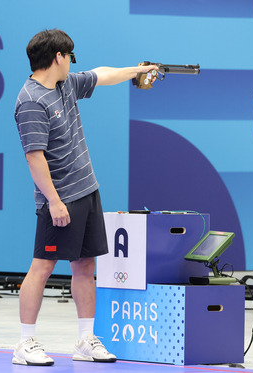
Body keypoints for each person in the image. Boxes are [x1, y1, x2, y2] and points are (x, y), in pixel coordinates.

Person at [12, 29, 157, 366]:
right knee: (43, 267)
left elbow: (102, 74)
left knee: (85, 266)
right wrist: (53, 201)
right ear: (58, 57)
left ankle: (85, 339)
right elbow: (35, 157)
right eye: (70, 56)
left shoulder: (65, 85)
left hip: (87, 191)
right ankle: (24, 343)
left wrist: (137, 71)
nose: (72, 63)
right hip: (59, 199)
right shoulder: (31, 100)